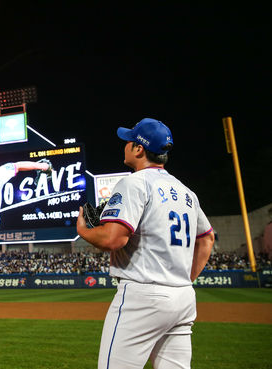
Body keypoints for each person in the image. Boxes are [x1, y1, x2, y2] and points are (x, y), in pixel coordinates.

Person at [76, 118, 215, 369]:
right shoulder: (186, 192)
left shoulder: (134, 182)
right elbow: (207, 239)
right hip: (183, 297)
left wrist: (84, 230)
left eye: (129, 141)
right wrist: (182, 280)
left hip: (143, 296)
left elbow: (112, 239)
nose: (125, 145)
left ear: (139, 148)